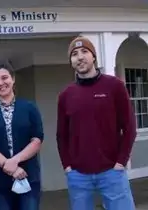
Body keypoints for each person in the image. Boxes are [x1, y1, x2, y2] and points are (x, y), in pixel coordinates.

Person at [56, 36, 137, 210]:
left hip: (112, 172)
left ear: (93, 57)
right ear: (71, 61)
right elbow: (61, 135)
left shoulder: (114, 86)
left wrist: (121, 162)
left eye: (85, 51)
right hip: (78, 175)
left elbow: (129, 127)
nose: (80, 57)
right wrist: (68, 167)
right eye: (75, 54)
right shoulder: (66, 95)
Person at [0, 60, 44, 210]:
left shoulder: (29, 107)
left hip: (27, 177)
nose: (1, 83)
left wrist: (15, 161)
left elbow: (37, 139)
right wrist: (10, 167)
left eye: (4, 78)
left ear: (13, 79)